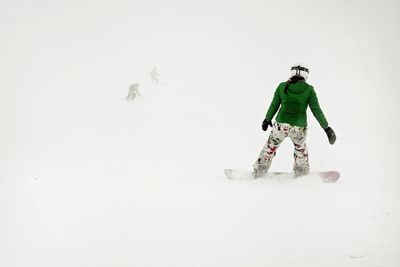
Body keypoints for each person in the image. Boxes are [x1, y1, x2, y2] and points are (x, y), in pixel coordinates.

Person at [253, 63, 336, 178]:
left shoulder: (282, 86)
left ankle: (259, 172)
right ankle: (301, 174)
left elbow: (274, 105)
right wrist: (326, 128)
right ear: (306, 75)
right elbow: (317, 111)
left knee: (270, 147)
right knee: (300, 149)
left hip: (280, 126)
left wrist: (267, 119)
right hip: (299, 128)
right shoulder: (309, 90)